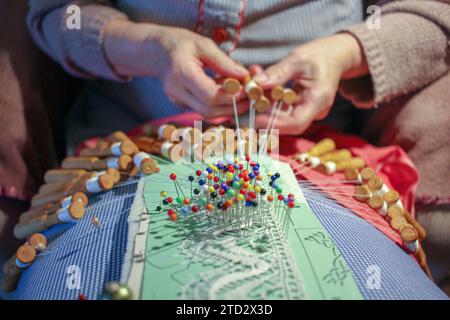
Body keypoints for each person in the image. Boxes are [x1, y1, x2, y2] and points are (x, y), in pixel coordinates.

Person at [23, 0, 450, 290]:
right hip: (135, 145)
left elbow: (438, 13)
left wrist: (344, 53)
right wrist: (147, 47)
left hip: (314, 151)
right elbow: (59, 13)